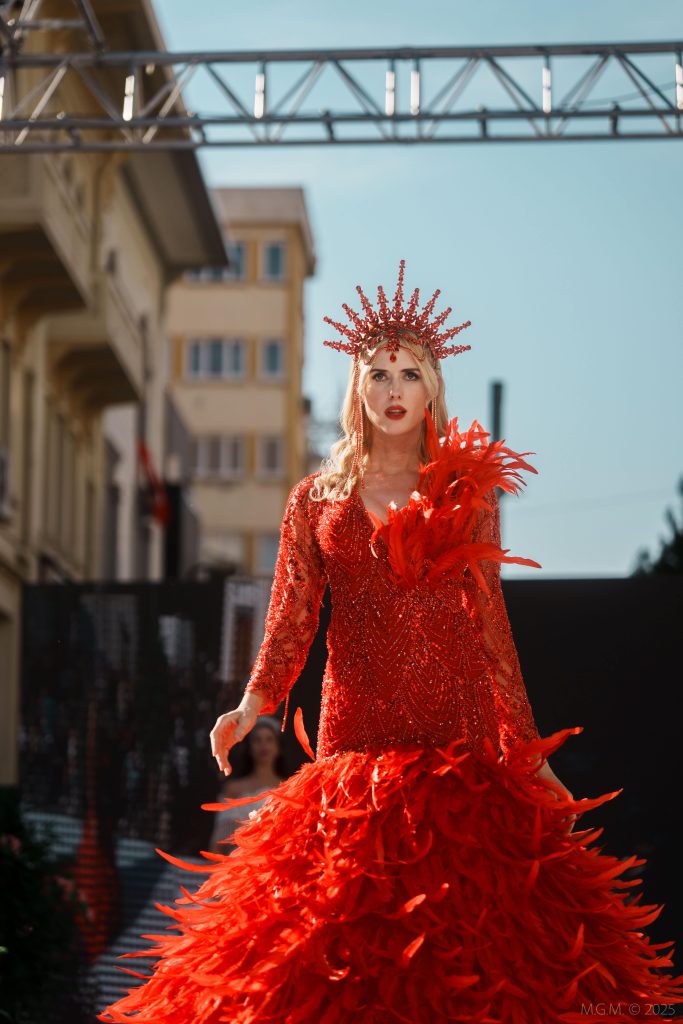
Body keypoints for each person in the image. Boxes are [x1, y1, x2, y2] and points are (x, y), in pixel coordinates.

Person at [98, 262, 683, 1024]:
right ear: (358, 387)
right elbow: (292, 615)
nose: (394, 389)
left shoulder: (464, 494)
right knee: (341, 937)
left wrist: (528, 751)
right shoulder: (316, 499)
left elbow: (490, 624)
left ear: (432, 387)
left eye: (410, 373)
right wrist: (251, 703)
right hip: (356, 733)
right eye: (378, 373)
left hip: (455, 733)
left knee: (469, 942)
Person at [206, 715, 286, 854]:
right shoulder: (234, 788)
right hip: (238, 861)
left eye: (269, 739)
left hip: (276, 860)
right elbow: (219, 838)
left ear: (278, 747)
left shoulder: (288, 786)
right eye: (257, 740)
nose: (263, 745)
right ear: (250, 747)